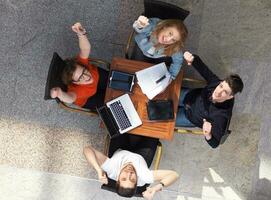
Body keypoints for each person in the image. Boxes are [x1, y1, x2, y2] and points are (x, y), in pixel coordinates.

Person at [176, 51, 244, 148]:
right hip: (189, 96)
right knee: (161, 94)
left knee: (161, 117)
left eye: (225, 92)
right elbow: (203, 68)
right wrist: (192, 58)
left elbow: (215, 144)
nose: (218, 91)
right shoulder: (216, 83)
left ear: (230, 97)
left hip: (189, 117)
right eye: (221, 86)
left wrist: (208, 134)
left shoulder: (222, 116)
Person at [83, 134, 179, 199]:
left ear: (117, 178)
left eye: (124, 178)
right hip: (141, 155)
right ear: (137, 181)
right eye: (132, 180)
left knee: (120, 123)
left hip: (121, 149)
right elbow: (174, 175)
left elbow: (87, 149)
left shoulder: (111, 170)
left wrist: (98, 169)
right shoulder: (143, 176)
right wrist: (156, 187)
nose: (129, 173)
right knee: (153, 133)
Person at [50, 22, 108, 110]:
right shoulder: (76, 91)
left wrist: (81, 34)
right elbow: (70, 98)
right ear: (76, 83)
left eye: (84, 71)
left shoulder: (80, 63)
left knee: (120, 83)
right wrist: (59, 93)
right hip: (89, 98)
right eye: (80, 78)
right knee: (111, 104)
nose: (87, 76)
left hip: (98, 79)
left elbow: (85, 48)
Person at [132, 15, 188, 81]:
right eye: (170, 33)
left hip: (157, 57)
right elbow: (141, 28)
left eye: (173, 40)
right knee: (134, 70)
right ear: (165, 27)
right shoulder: (153, 26)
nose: (168, 39)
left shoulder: (174, 46)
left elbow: (178, 61)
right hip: (141, 49)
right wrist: (140, 25)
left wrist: (171, 76)